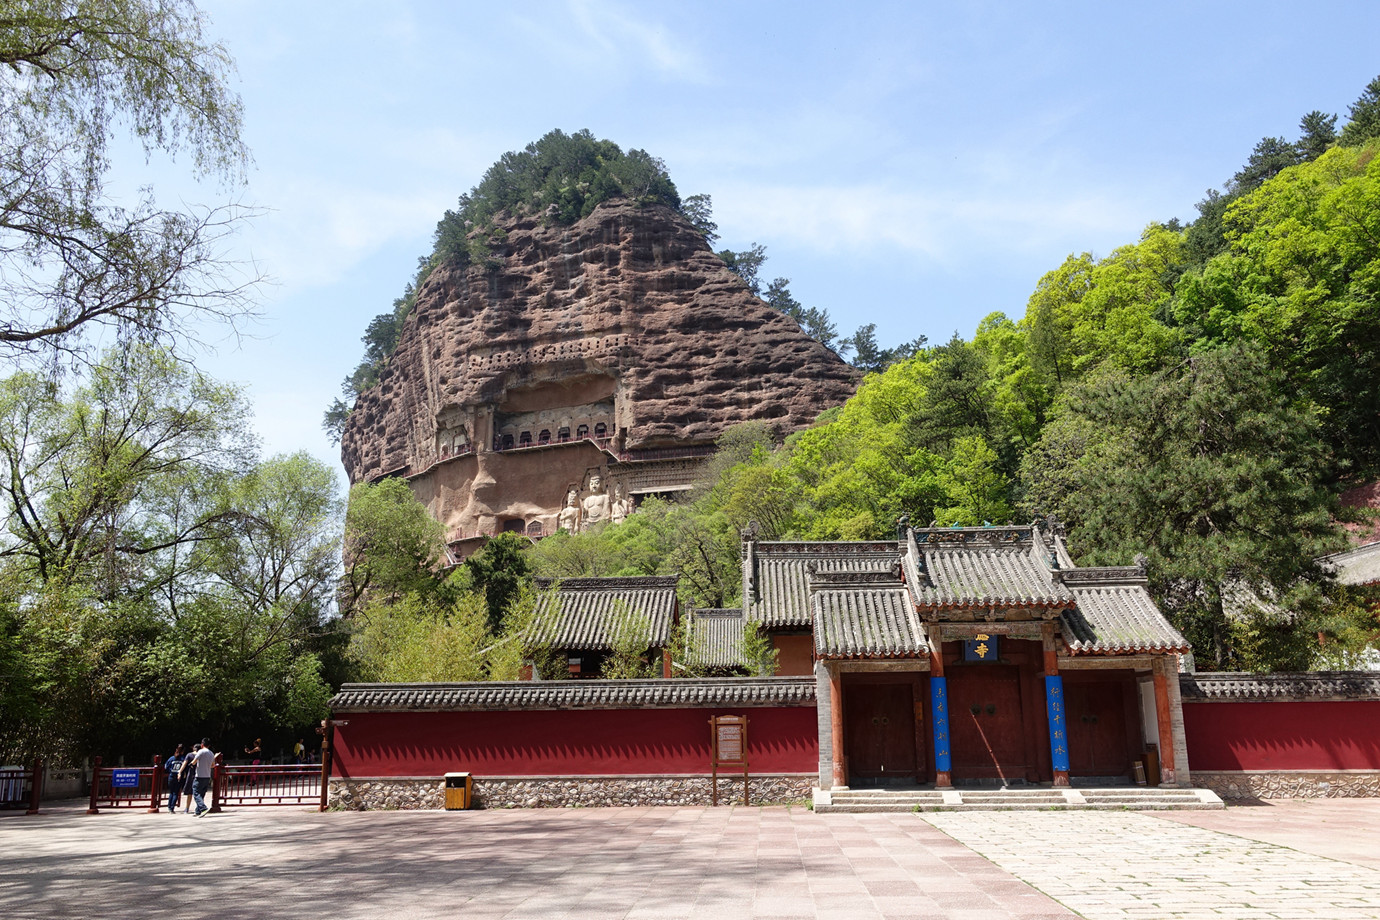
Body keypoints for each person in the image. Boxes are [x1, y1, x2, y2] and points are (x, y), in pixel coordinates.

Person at [191, 737, 215, 816]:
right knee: (201, 794)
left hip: (199, 775)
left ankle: (203, 808)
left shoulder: (201, 751)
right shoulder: (211, 753)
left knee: (196, 792)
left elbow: (194, 762)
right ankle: (198, 811)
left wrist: (191, 764)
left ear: (202, 745)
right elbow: (213, 765)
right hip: (207, 776)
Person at [163, 744, 184, 814]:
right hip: (179, 777)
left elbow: (166, 766)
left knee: (171, 792)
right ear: (183, 751)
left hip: (171, 776)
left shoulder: (171, 758)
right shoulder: (183, 759)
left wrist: (171, 771)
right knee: (176, 793)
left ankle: (169, 807)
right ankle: (172, 808)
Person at [180, 744, 199, 813]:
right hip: (199, 774)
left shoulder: (189, 755)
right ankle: (198, 807)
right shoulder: (201, 755)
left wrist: (180, 772)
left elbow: (184, 764)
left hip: (191, 775)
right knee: (198, 793)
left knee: (189, 793)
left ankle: (187, 808)